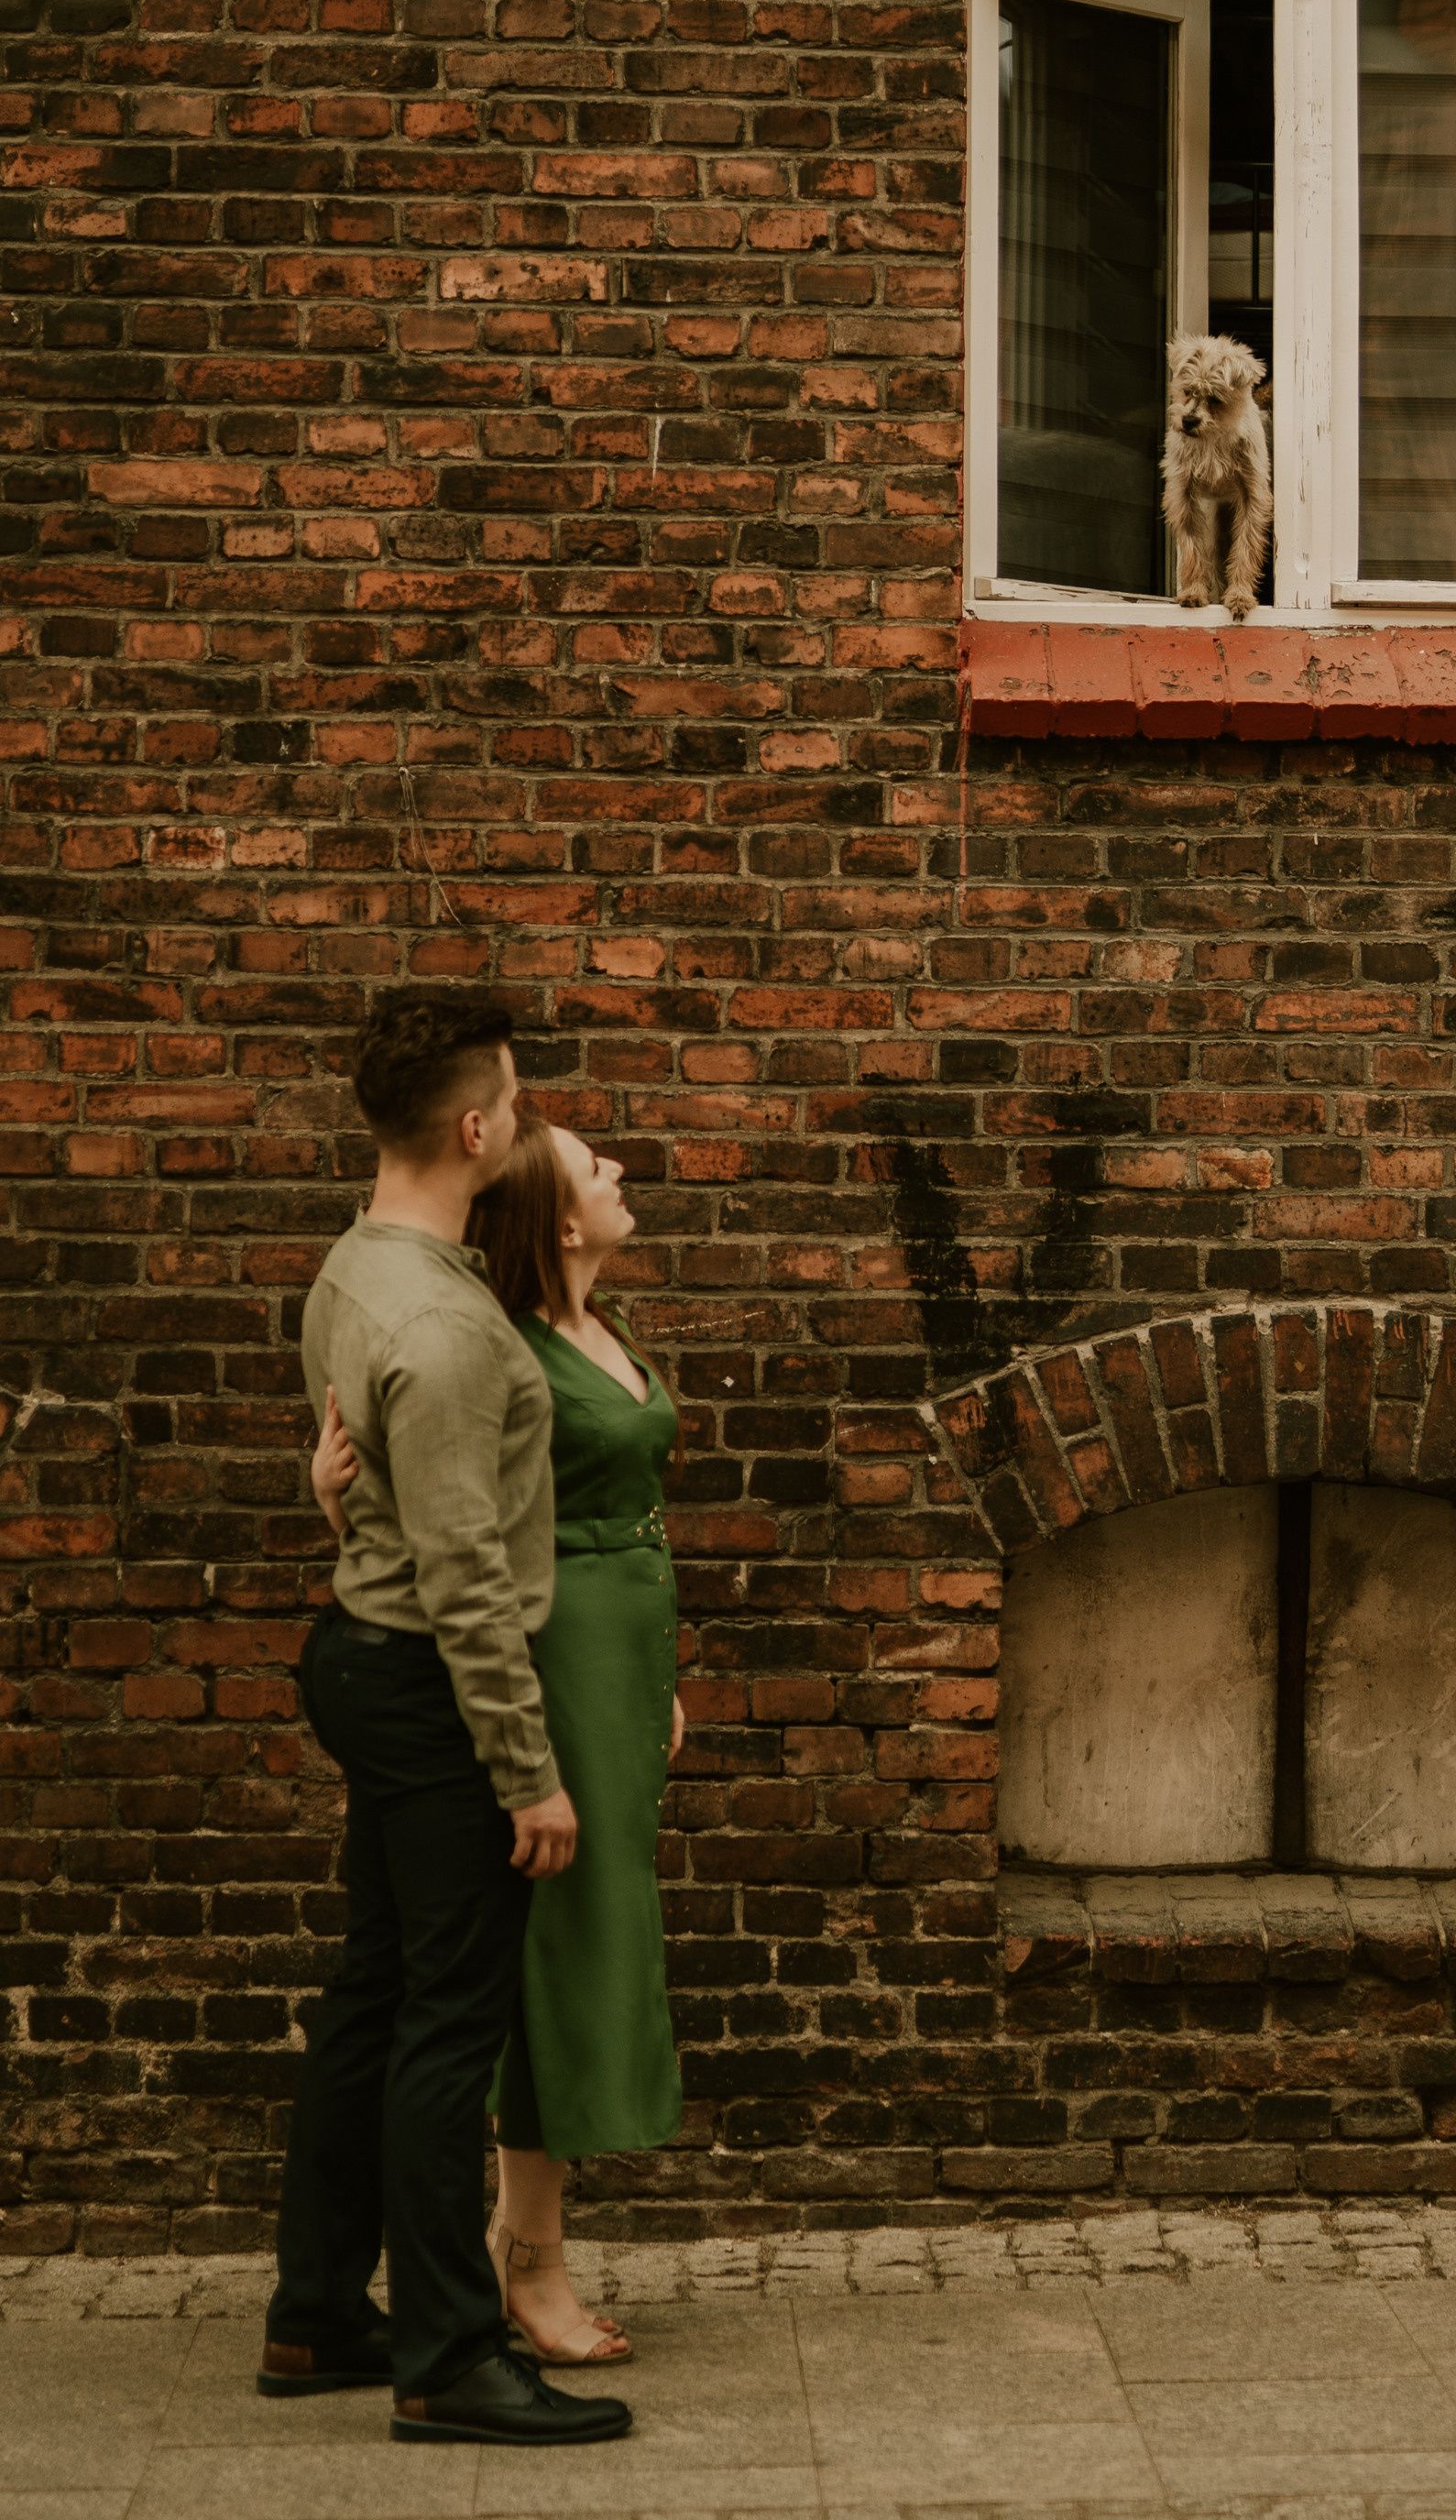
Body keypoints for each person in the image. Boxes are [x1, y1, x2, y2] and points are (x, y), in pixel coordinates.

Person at [259, 991, 631, 2451]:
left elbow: (381, 1492)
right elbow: (472, 1582)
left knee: (373, 1992)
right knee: (445, 2023)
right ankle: (448, 2355)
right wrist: (528, 1777)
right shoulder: (452, 1327)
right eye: (524, 1107)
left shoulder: (355, 1270)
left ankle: (313, 2314)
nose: (531, 1129)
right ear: (473, 1129)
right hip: (428, 1682)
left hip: (362, 1652)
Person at [313, 1111, 685, 2371]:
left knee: (596, 1944)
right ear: (561, 1219)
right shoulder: (503, 1346)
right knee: (553, 1961)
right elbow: (449, 1526)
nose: (623, 1169)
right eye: (598, 1165)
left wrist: (658, 1682)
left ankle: (515, 2248)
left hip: (621, 1655)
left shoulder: (599, 1328)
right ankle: (526, 2261)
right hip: (555, 1655)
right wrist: (340, 1501)